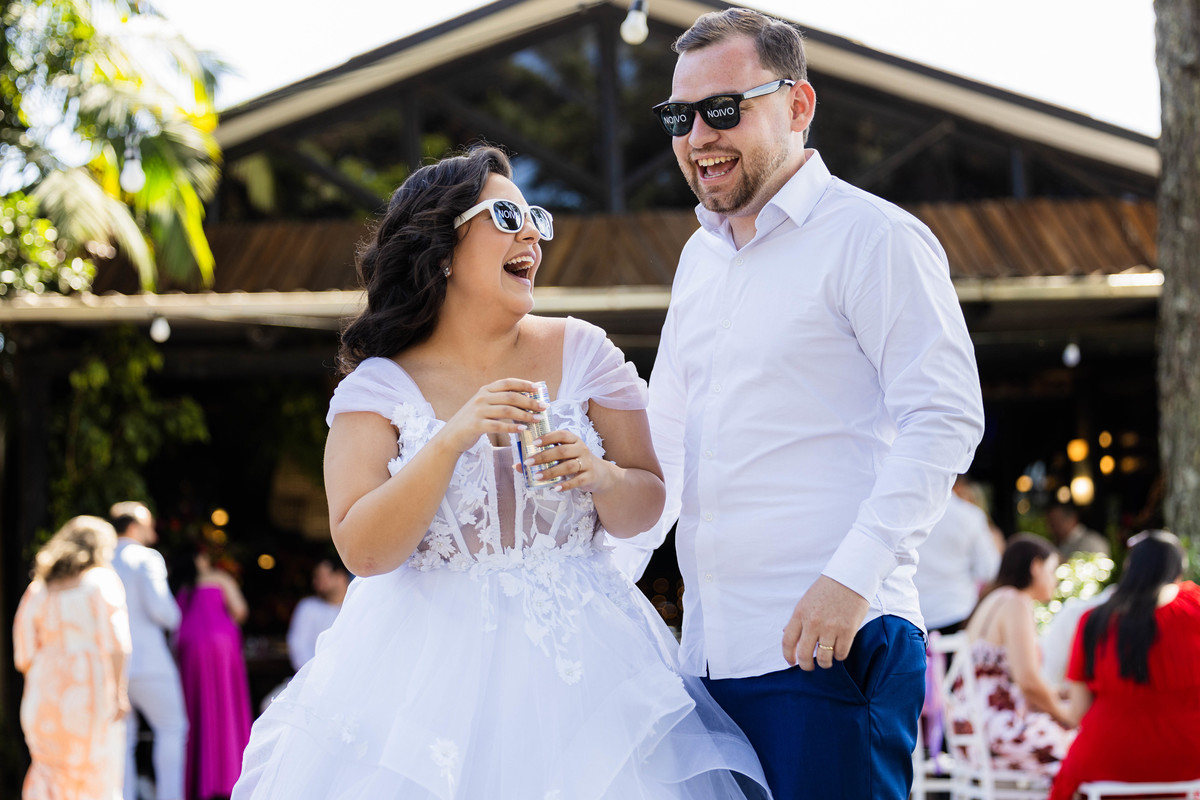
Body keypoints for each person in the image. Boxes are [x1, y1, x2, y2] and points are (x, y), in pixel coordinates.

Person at [231, 146, 770, 799]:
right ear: (442, 247)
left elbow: (649, 502)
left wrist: (601, 476)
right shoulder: (377, 388)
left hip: (587, 669)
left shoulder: (584, 351)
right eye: (508, 216)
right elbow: (364, 551)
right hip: (425, 678)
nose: (533, 236)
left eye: (536, 218)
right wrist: (452, 439)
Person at [619, 8, 985, 798]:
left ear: (798, 104)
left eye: (724, 109)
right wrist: (607, 588)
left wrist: (850, 581)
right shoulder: (698, 259)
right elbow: (668, 441)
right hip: (708, 660)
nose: (699, 136)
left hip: (833, 643)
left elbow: (945, 415)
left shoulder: (874, 237)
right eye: (680, 117)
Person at [1049, 530, 1200, 799]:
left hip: (1110, 756)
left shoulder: (1094, 621)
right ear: (1177, 572)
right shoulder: (1194, 611)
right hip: (1188, 758)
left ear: (1130, 568)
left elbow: (1079, 711)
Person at [13, 515, 132, 800]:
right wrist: (119, 692)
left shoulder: (38, 588)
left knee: (48, 771)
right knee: (95, 770)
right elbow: (118, 643)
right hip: (88, 691)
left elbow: (23, 655)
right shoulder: (100, 580)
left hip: (43, 693)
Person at [954, 534, 1075, 777]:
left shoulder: (993, 599)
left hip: (969, 730)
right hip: (998, 731)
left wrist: (1057, 696)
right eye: (1052, 571)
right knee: (1086, 748)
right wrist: (1067, 715)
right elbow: (1027, 680)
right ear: (1036, 566)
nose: (1055, 581)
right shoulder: (1016, 602)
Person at [111, 501, 188, 800]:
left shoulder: (101, 559)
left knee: (122, 738)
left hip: (113, 664)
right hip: (150, 662)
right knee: (171, 729)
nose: (153, 531)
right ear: (133, 527)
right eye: (148, 525)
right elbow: (163, 611)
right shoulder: (146, 557)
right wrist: (176, 617)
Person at [174, 546, 252, 800]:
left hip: (189, 649)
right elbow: (240, 610)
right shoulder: (219, 578)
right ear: (199, 559)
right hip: (221, 647)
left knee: (196, 710)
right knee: (225, 706)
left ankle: (199, 780)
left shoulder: (181, 588)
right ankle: (230, 776)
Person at [914, 478, 1001, 635]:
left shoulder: (910, 513)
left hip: (914, 610)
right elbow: (989, 569)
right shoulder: (970, 515)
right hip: (957, 608)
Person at [286, 556, 351, 671]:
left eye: (321, 576)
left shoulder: (357, 606)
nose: (315, 582)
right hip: (315, 675)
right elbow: (299, 646)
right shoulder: (308, 607)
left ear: (340, 577)